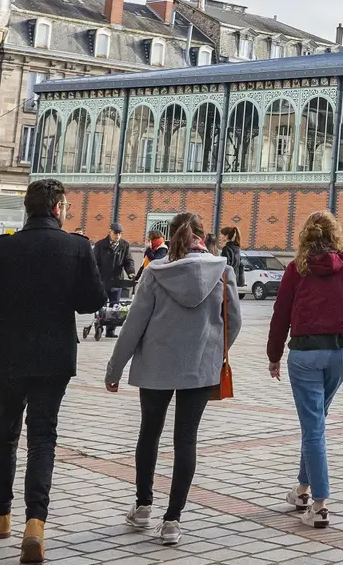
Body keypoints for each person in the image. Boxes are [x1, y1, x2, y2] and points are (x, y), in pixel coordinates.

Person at [0, 178, 107, 563]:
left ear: (27, 209)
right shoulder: (77, 247)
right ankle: (36, 523)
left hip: (9, 354)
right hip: (54, 356)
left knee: (5, 435)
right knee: (43, 437)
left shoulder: (4, 247)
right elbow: (93, 300)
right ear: (59, 208)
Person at [105, 211, 242, 547]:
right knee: (186, 440)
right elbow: (234, 322)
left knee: (149, 434)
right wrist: (213, 350)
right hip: (199, 367)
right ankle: (173, 521)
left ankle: (143, 507)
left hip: (155, 367)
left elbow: (134, 323)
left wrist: (114, 368)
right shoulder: (222, 270)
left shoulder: (155, 272)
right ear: (202, 235)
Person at [266, 211, 343, 530]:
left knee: (313, 427)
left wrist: (273, 355)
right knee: (316, 421)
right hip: (342, 353)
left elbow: (280, 314)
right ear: (336, 234)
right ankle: (302, 490)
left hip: (305, 354)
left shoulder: (297, 269)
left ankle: (320, 504)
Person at [94, 224, 134, 307]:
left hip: (117, 280)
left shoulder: (124, 245)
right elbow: (94, 262)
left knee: (115, 308)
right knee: (102, 307)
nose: (118, 236)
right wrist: (96, 276)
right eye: (115, 233)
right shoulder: (100, 245)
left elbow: (128, 261)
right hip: (103, 281)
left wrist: (131, 272)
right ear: (110, 232)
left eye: (120, 233)